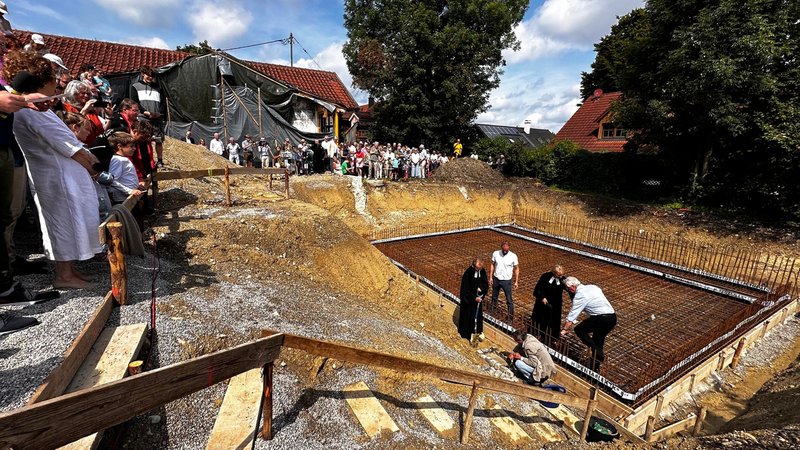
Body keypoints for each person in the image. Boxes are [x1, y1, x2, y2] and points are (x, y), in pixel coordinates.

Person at [6, 50, 101, 289]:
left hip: (53, 173)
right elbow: (70, 146)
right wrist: (95, 168)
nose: (57, 83)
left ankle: (69, 270)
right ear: (42, 81)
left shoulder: (29, 107)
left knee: (65, 220)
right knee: (62, 221)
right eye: (53, 79)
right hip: (58, 175)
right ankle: (64, 275)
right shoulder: (33, 110)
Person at [561, 276, 617, 371]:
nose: (568, 291)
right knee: (598, 340)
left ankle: (597, 351)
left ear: (572, 287)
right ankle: (595, 367)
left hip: (601, 318)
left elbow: (573, 314)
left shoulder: (580, 295)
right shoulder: (593, 287)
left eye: (568, 289)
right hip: (612, 318)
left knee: (579, 330)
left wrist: (564, 329)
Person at [130, 66, 164, 167]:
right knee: (143, 140)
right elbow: (134, 102)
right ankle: (146, 160)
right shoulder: (135, 86)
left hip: (157, 118)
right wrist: (144, 112)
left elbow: (163, 102)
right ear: (142, 74)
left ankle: (160, 161)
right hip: (143, 118)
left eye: (152, 76)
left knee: (158, 140)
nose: (150, 77)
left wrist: (159, 112)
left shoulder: (158, 87)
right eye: (148, 75)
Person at [105, 132, 144, 204]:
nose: (134, 148)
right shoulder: (118, 160)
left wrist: (136, 185)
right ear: (120, 146)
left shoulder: (123, 159)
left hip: (129, 196)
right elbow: (112, 180)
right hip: (122, 199)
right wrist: (129, 191)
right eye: (131, 146)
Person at [531, 265, 566, 343]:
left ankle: (552, 337)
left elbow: (569, 288)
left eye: (561, 275)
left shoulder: (562, 279)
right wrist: (542, 297)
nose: (560, 276)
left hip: (556, 303)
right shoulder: (545, 276)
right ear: (554, 273)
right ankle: (538, 334)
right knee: (541, 320)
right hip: (544, 303)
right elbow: (538, 289)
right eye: (558, 275)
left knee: (554, 320)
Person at [457, 257, 489, 342]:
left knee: (477, 317)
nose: (479, 270)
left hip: (478, 299)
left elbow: (485, 283)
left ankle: (477, 332)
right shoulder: (468, 273)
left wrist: (481, 290)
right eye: (477, 268)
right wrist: (474, 298)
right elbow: (465, 290)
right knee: (468, 317)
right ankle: (467, 333)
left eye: (480, 268)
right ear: (474, 266)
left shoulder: (482, 271)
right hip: (469, 301)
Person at [489, 241, 519, 323]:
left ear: (509, 247)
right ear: (501, 247)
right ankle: (493, 312)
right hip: (496, 279)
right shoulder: (496, 253)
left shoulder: (513, 256)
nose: (505, 250)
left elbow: (516, 268)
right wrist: (490, 277)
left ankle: (510, 318)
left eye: (506, 248)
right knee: (494, 297)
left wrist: (516, 281)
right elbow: (492, 264)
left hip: (506, 281)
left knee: (509, 300)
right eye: (504, 248)